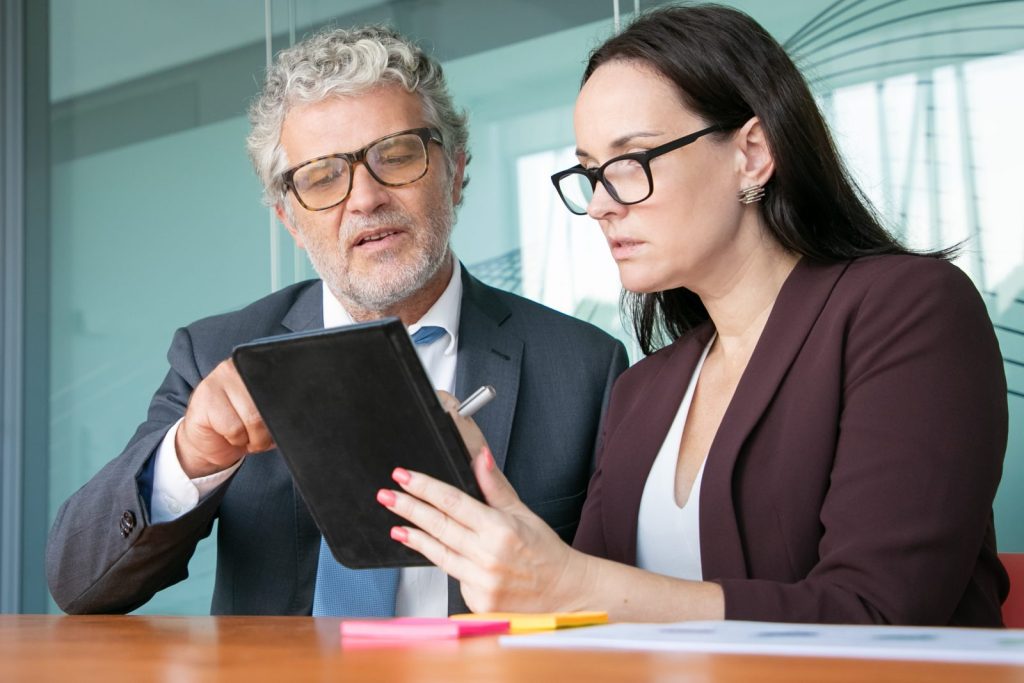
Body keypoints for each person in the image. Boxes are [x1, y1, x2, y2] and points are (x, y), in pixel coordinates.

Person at [380, 4, 1010, 626]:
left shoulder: (908, 310)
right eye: (591, 173)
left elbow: (881, 613)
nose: (601, 204)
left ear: (753, 152)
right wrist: (507, 529)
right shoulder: (644, 388)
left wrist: (574, 584)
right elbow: (590, 613)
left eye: (631, 162)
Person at [45, 25, 628, 616]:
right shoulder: (215, 353)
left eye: (397, 156)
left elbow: (617, 602)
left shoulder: (583, 367)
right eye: (323, 176)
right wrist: (190, 456)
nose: (364, 197)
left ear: (455, 173)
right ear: (288, 218)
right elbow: (78, 582)